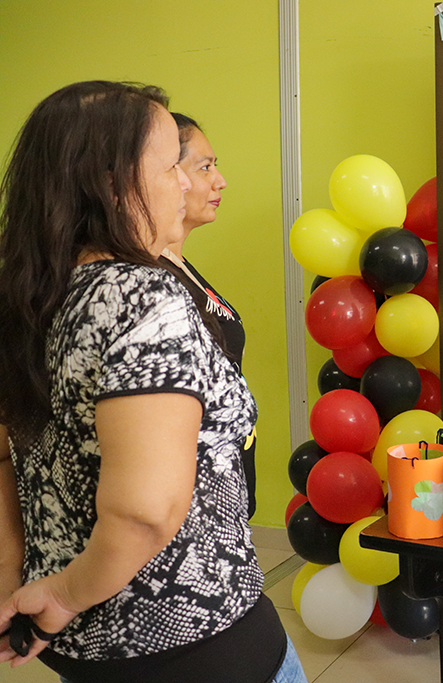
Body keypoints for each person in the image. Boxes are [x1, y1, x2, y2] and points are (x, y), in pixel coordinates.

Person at [0, 81, 305, 683]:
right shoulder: (141, 295)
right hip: (194, 640)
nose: (190, 183)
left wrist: (18, 575)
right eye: (174, 167)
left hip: (80, 643)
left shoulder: (24, 298)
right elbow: (144, 510)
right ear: (114, 186)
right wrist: (62, 595)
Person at [164, 112, 257, 520]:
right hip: (193, 503)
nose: (219, 181)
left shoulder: (181, 264)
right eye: (204, 167)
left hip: (227, 485)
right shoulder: (151, 282)